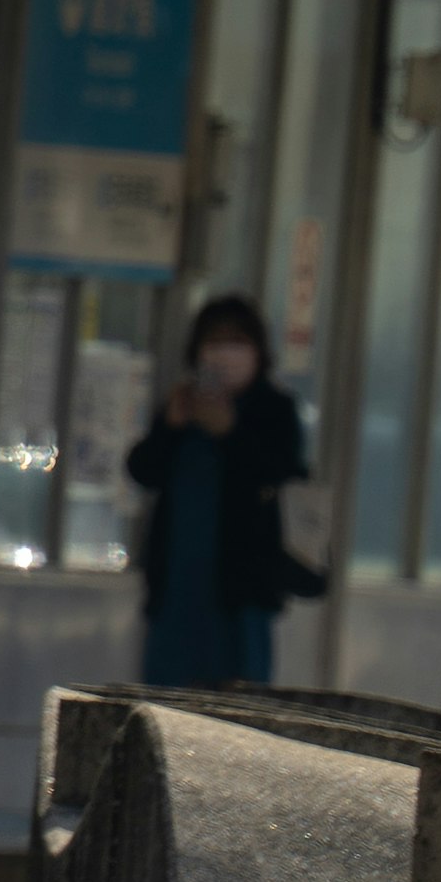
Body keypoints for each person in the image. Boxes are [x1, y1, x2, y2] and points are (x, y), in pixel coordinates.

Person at [125, 291, 318, 689]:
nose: (224, 352)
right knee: (168, 696)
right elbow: (142, 470)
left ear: (258, 351)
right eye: (214, 341)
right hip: (178, 589)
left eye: (237, 341)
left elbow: (282, 473)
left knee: (238, 699)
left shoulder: (274, 409)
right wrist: (171, 427)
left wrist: (230, 432)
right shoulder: (185, 405)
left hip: (241, 593)